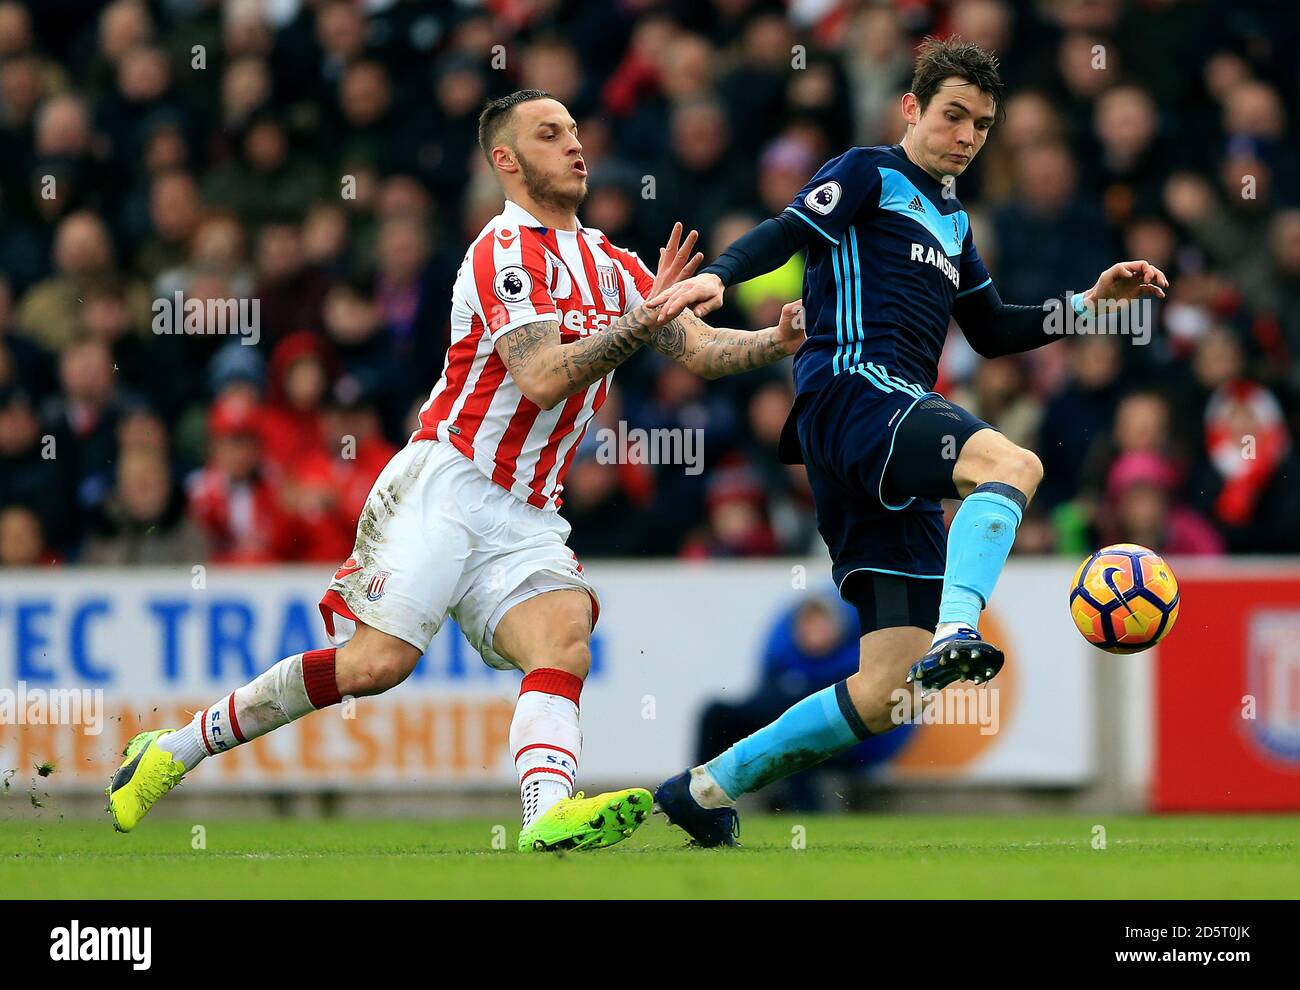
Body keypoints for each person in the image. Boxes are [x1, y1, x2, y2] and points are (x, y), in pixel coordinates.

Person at [106, 89, 806, 852]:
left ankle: (545, 815)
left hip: (528, 510)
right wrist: (635, 323)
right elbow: (540, 377)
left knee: (565, 634)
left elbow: (697, 349)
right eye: (549, 134)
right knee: (375, 666)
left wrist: (775, 338)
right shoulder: (500, 253)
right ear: (506, 161)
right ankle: (170, 751)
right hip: (447, 483)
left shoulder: (614, 264)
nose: (574, 145)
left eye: (574, 130)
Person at [650, 38, 1168, 846]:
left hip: (869, 438)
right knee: (1015, 463)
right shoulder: (866, 170)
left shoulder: (956, 220)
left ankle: (709, 785)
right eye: (953, 115)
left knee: (894, 688)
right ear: (912, 109)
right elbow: (788, 229)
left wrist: (1091, 302)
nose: (966, 135)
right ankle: (964, 628)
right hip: (855, 393)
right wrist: (722, 274)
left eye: (982, 125)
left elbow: (991, 331)